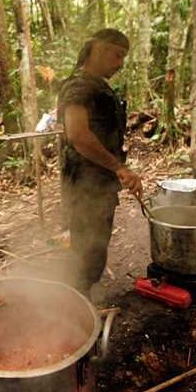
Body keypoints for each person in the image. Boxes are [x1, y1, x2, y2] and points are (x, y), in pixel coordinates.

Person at [57, 29, 143, 296]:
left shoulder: (96, 85)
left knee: (95, 248)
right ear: (101, 50)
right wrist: (119, 167)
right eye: (118, 55)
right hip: (84, 186)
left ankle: (82, 296)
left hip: (99, 184)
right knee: (86, 253)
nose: (120, 63)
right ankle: (77, 305)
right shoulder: (79, 86)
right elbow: (78, 135)